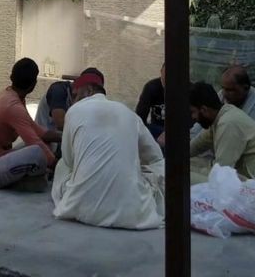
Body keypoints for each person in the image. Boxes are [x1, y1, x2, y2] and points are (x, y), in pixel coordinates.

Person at [52, 71, 165, 229]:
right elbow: (156, 158)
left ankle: (78, 198)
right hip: (132, 214)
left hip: (82, 209)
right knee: (158, 167)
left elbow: (69, 160)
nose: (73, 101)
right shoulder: (129, 114)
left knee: (62, 165)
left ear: (89, 90)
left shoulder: (74, 111)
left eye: (75, 95)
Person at [0, 58, 61, 191]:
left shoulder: (11, 95)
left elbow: (38, 131)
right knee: (37, 152)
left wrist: (66, 136)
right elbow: (34, 141)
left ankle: (28, 179)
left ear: (12, 77)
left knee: (46, 144)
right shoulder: (13, 107)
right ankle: (24, 181)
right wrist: (60, 167)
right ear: (33, 84)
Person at [189, 81, 255, 189]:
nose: (193, 118)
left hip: (252, 188)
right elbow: (195, 146)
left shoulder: (228, 124)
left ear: (204, 110)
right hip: (240, 177)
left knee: (180, 175)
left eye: (192, 112)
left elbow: (221, 173)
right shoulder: (220, 116)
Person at [35, 67, 105, 132]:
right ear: (89, 88)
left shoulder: (87, 100)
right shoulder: (58, 90)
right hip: (43, 137)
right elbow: (60, 124)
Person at [136, 63, 165, 146]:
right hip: (156, 128)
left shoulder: (186, 88)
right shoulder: (151, 87)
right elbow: (140, 116)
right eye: (165, 74)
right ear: (161, 72)